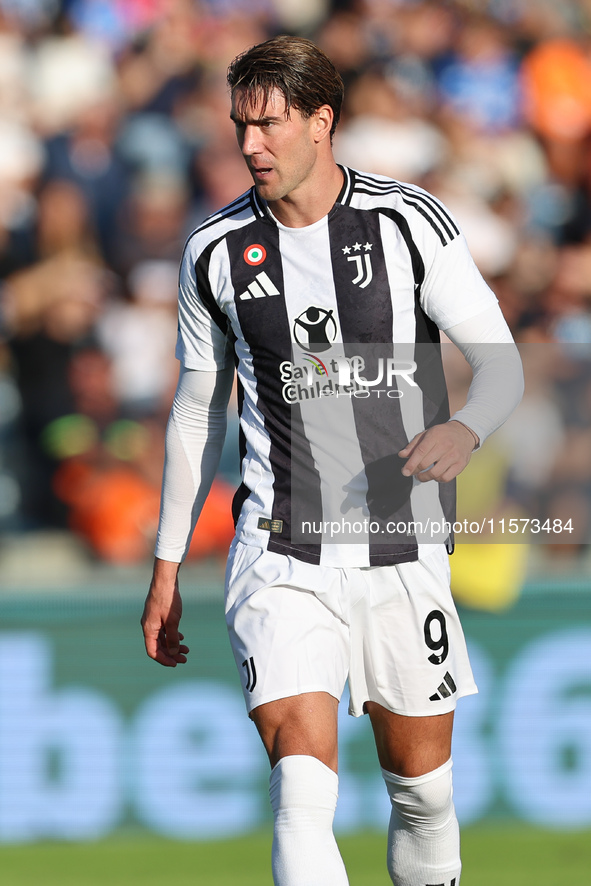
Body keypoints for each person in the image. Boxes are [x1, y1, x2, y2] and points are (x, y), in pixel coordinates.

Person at [141, 35, 524, 886]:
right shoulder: (214, 252)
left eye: (269, 125)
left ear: (323, 122)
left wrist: (465, 428)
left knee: (421, 796)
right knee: (301, 790)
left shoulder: (406, 223)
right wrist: (167, 564)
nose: (250, 146)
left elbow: (500, 364)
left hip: (402, 541)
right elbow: (197, 412)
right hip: (279, 549)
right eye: (240, 125)